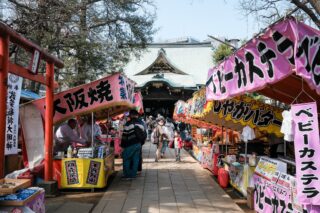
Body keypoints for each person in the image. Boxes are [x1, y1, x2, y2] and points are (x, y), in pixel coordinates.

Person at [121, 109, 146, 180]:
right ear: (137, 115)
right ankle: (133, 175)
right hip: (138, 144)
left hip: (130, 144)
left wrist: (122, 145)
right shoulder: (141, 123)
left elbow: (124, 136)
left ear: (131, 115)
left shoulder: (128, 124)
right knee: (136, 159)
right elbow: (144, 134)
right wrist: (141, 143)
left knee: (126, 158)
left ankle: (127, 175)